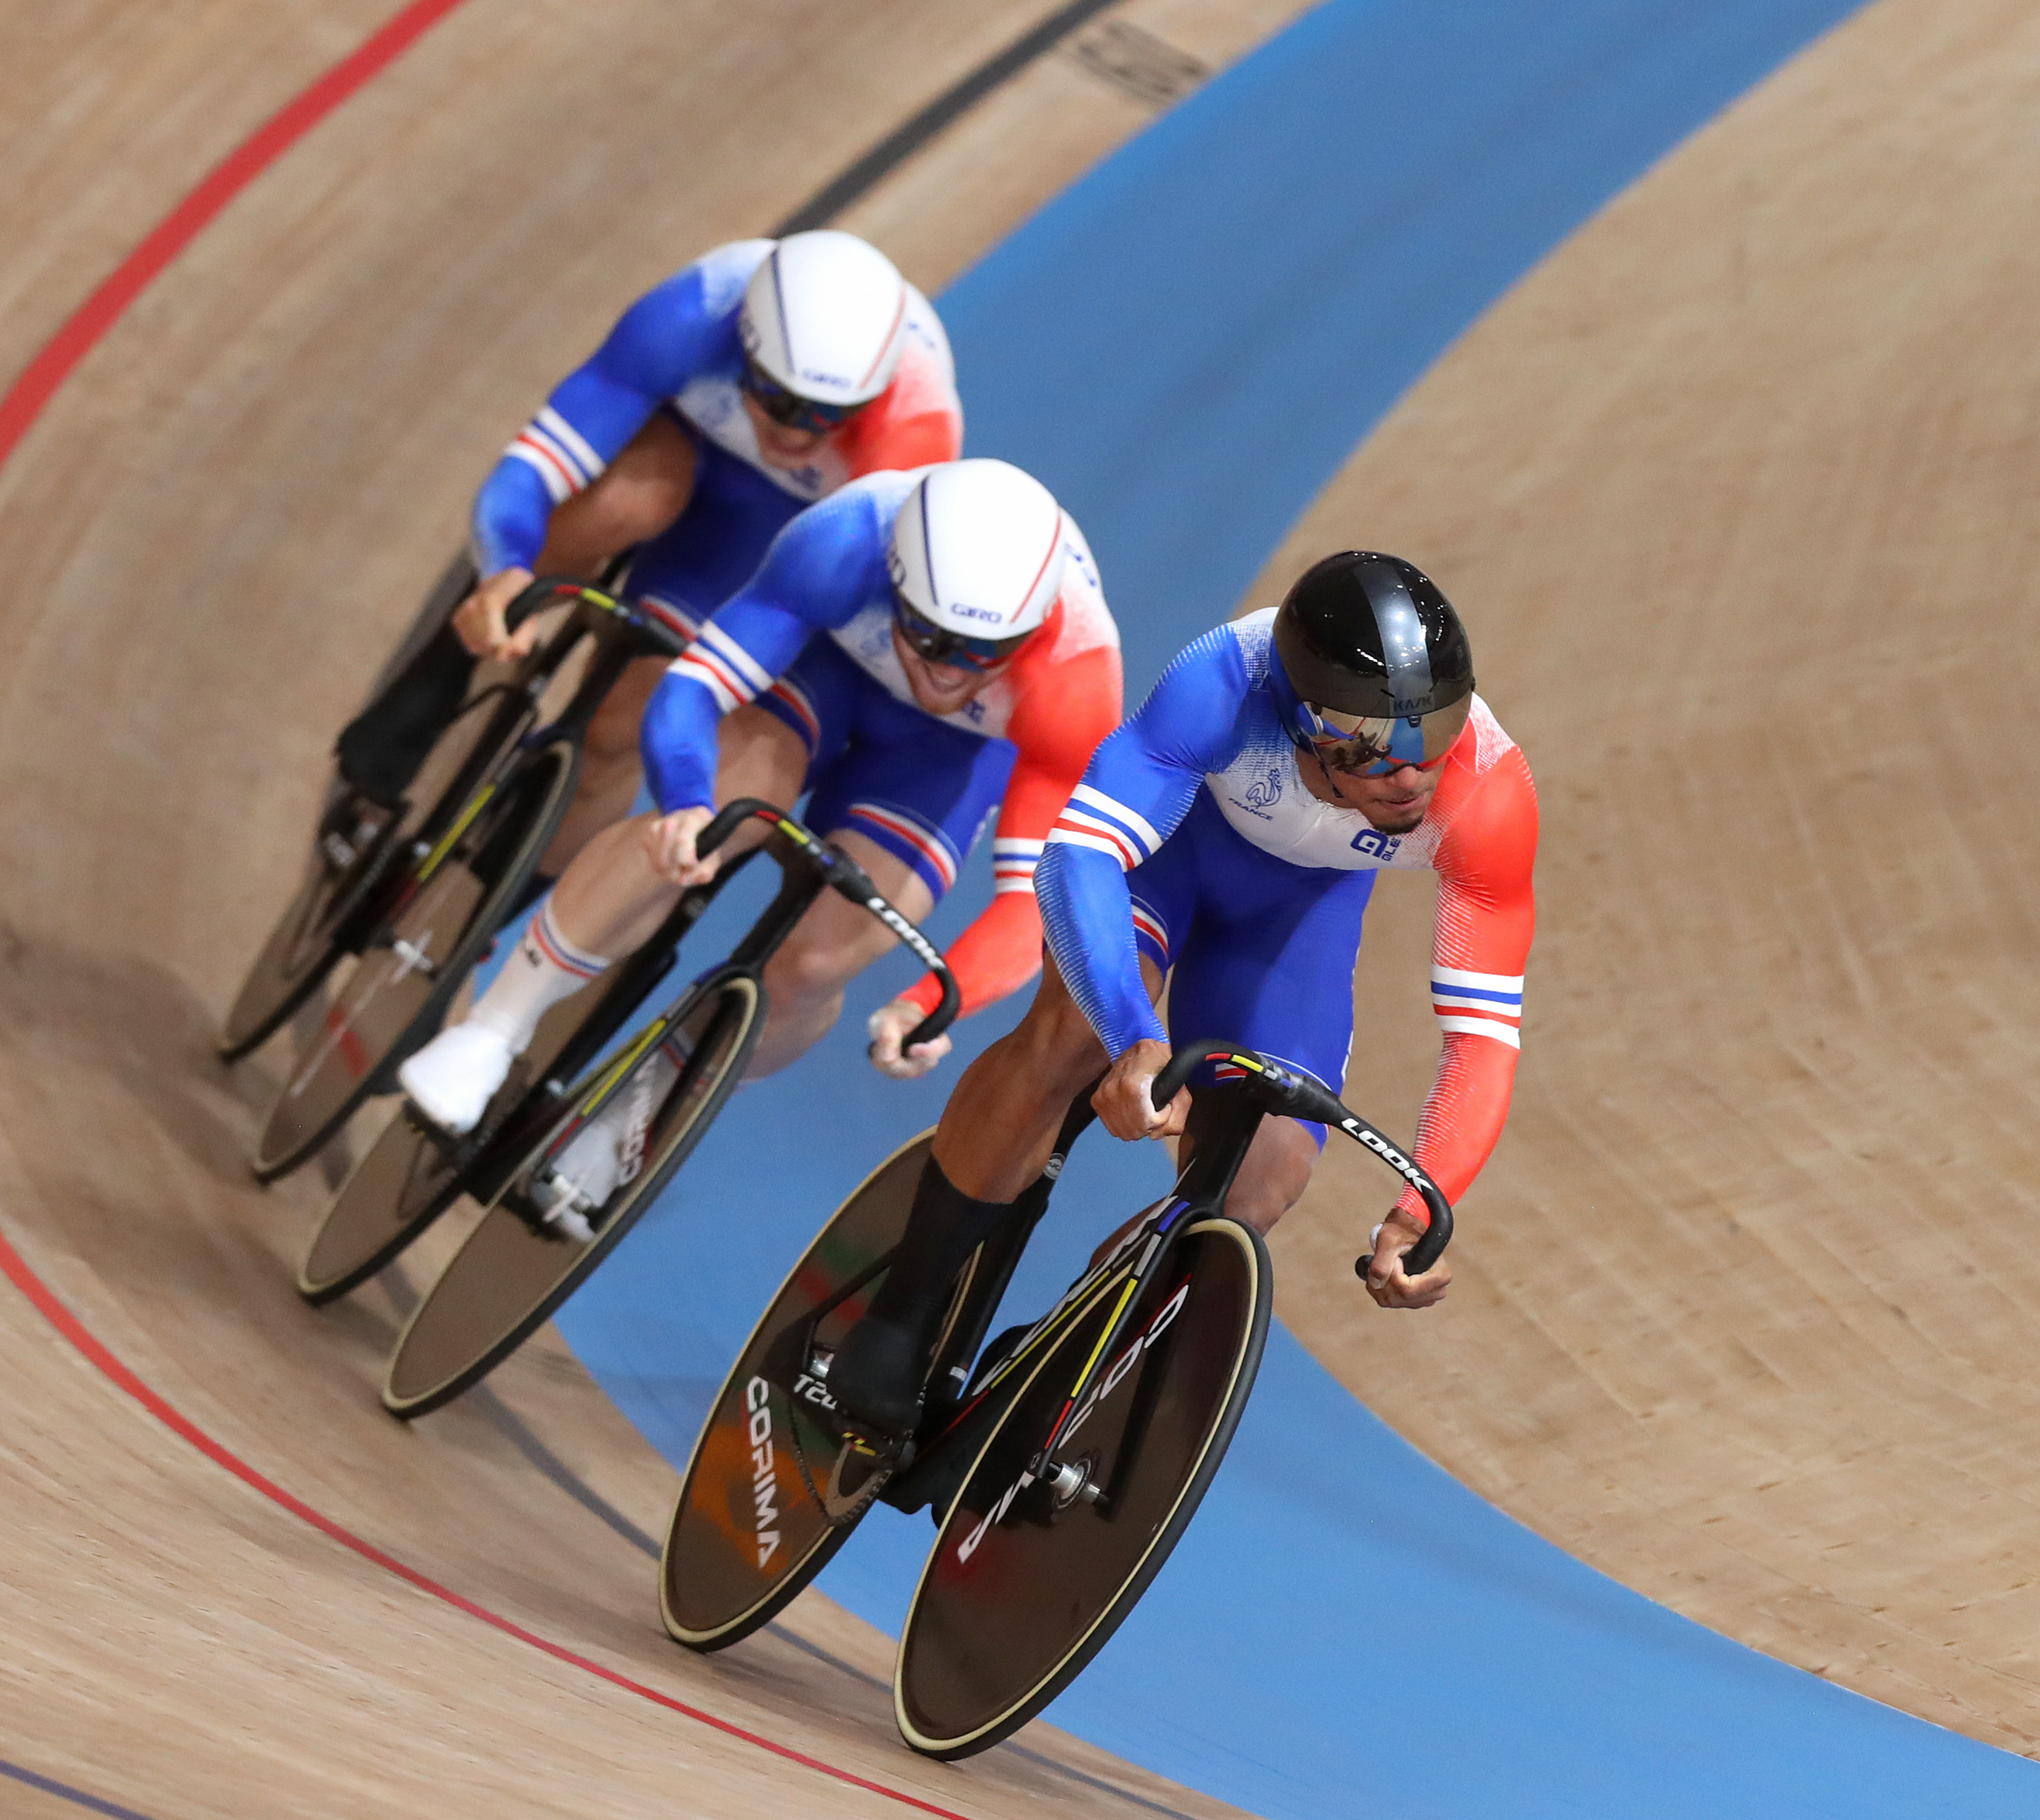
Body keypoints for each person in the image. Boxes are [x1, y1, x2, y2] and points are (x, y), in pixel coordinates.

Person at [827, 551, 1539, 1432]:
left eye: (1437, 730)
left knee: (1258, 1184)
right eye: (1375, 747)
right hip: (1169, 860)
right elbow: (1079, 855)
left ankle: (1052, 1367)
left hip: (1290, 927)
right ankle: (902, 1313)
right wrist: (1132, 1031)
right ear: (1303, 722)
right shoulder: (1226, 681)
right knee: (1071, 1038)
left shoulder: (1487, 791)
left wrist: (1421, 1205)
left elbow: (1482, 1040)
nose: (1414, 772)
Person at [393, 457, 1120, 1238]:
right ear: (895, 576)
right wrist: (683, 802)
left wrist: (931, 1004)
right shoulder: (844, 541)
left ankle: (652, 1103)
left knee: (817, 963)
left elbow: (1034, 906)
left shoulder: (1075, 678)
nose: (949, 671)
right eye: (931, 636)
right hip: (827, 672)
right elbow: (692, 688)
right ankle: (492, 1029)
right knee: (713, 821)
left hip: (941, 759)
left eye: (983, 652)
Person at [328, 230, 963, 879]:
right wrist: (502, 570)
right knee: (621, 504)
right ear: (743, 344)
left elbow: (807, 606)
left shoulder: (911, 443)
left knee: (620, 727)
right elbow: (531, 470)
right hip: (682, 442)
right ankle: (443, 673)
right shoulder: (694, 312)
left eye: (831, 416)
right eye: (779, 400)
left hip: (781, 525)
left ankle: (483, 895)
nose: (799, 432)